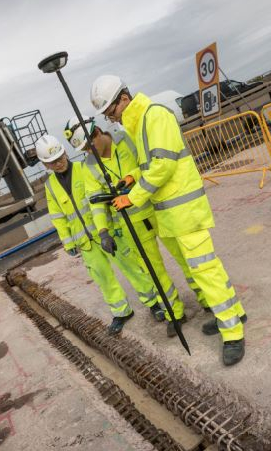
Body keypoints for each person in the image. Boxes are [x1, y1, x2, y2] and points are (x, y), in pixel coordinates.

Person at [90, 76, 247, 366]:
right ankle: (234, 310)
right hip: (172, 215)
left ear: (123, 99)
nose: (110, 118)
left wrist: (132, 197)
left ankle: (233, 331)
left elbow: (163, 166)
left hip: (184, 211)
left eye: (110, 111)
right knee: (202, 268)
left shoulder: (154, 116)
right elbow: (150, 165)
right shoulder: (140, 124)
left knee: (204, 271)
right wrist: (133, 177)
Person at [65, 115, 191, 336]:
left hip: (158, 208)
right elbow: (95, 203)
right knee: (154, 270)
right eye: (84, 149)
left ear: (96, 133)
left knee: (184, 255)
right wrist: (103, 231)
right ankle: (175, 313)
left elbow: (150, 163)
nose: (88, 152)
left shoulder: (126, 138)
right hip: (132, 222)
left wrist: (132, 177)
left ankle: (205, 298)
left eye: (89, 145)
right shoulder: (89, 166)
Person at [35, 133, 164, 335]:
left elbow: (102, 197)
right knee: (103, 277)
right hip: (86, 242)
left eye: (60, 158)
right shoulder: (50, 186)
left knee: (131, 266)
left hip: (108, 232)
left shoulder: (85, 168)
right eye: (52, 162)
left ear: (65, 153)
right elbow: (58, 216)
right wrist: (67, 242)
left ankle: (153, 302)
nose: (58, 163)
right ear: (45, 165)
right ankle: (121, 311)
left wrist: (111, 227)